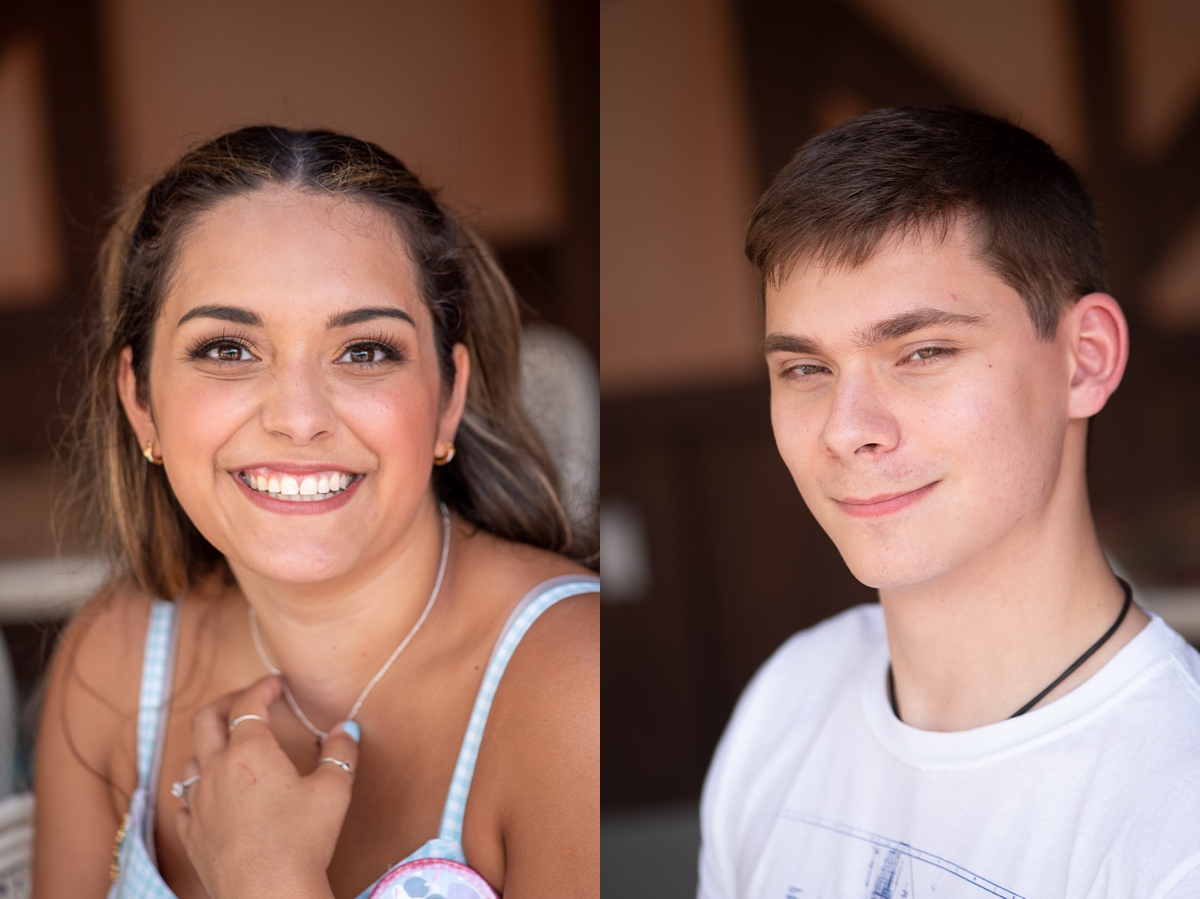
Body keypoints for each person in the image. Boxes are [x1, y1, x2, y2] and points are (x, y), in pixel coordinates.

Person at [33, 125, 599, 899]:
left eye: (365, 350)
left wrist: (269, 881)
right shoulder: (112, 665)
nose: (298, 418)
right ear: (141, 403)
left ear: (447, 398)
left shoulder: (573, 688)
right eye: (228, 349)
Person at [698, 106, 1200, 897]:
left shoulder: (1176, 814)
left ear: (1085, 361)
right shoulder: (787, 700)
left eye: (923, 352)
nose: (846, 430)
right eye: (805, 369)